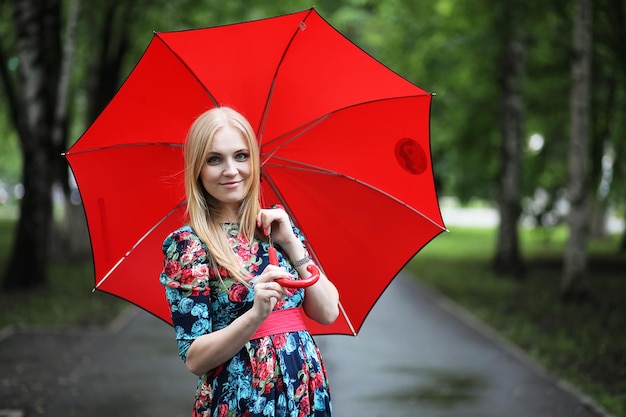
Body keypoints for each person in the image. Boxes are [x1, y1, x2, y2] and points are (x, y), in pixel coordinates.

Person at [159, 106, 340, 417]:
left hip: (304, 389)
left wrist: (291, 242)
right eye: (214, 159)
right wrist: (255, 315)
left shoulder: (276, 229)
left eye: (241, 156)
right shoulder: (189, 245)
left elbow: (327, 312)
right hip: (244, 397)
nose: (231, 170)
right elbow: (195, 358)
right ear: (198, 169)